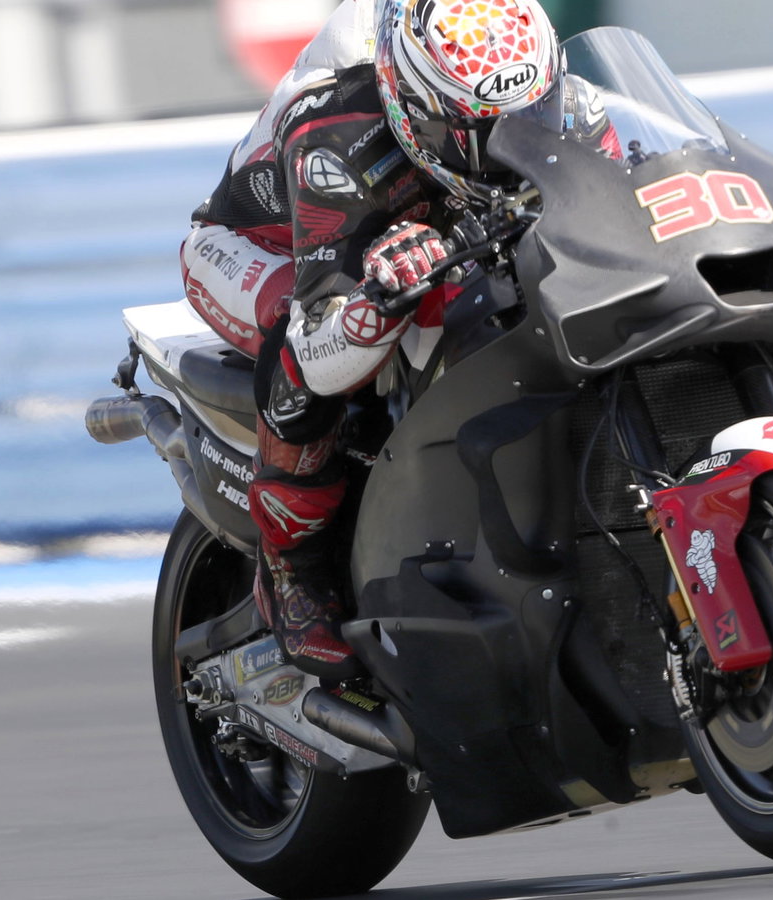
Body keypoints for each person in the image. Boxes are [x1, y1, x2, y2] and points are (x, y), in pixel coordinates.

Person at [180, 0, 618, 680]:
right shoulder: (336, 137)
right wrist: (374, 304)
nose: (508, 147)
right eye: (479, 131)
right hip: (263, 247)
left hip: (429, 209)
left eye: (531, 116)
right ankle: (292, 571)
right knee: (300, 338)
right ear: (416, 107)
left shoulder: (549, 85)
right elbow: (320, 343)